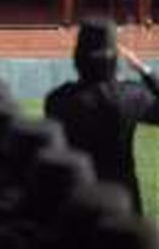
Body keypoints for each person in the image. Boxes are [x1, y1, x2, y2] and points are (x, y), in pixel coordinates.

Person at [45, 17, 159, 214]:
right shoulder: (131, 96)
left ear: (77, 58)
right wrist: (144, 69)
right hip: (123, 201)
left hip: (77, 198)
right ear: (114, 60)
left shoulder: (58, 100)